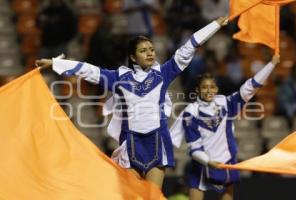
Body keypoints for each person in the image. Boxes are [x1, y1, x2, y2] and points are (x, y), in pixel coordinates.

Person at [35, 16, 229, 191]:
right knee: (131, 196)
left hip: (157, 143)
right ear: (133, 57)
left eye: (152, 49)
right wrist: (54, 63)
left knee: (152, 196)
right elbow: (89, 71)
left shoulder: (163, 73)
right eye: (144, 51)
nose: (150, 53)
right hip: (130, 146)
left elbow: (188, 47)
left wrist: (215, 24)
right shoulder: (119, 77)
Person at [170, 55, 280, 200]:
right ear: (197, 90)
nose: (209, 90)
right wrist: (208, 161)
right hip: (202, 162)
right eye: (204, 87)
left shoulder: (225, 103)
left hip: (226, 160)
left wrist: (271, 64)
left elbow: (250, 87)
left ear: (216, 89)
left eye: (212, 87)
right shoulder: (191, 112)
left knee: (228, 194)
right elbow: (194, 147)